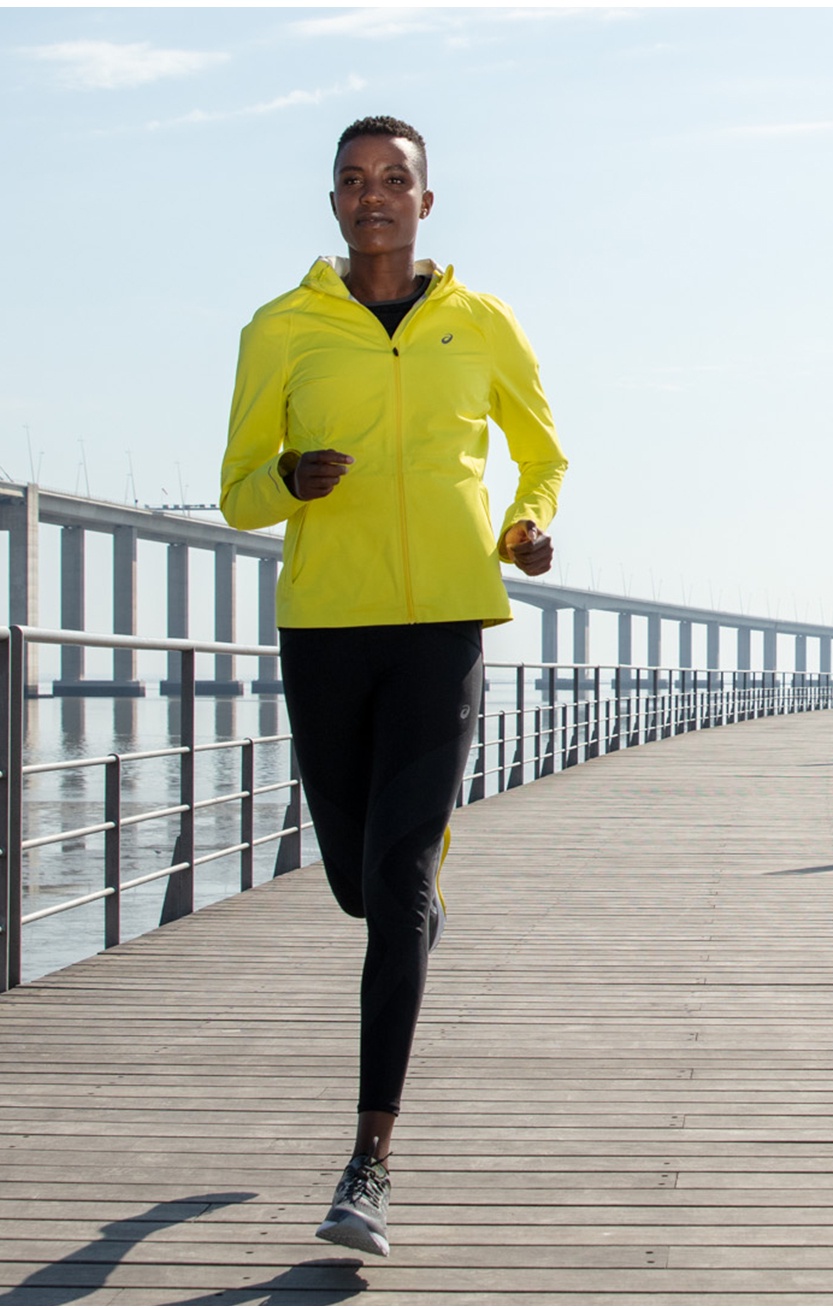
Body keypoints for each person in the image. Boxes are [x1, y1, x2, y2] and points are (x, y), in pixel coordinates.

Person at [216, 115, 564, 1258]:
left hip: (443, 628)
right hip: (325, 627)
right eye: (354, 182)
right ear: (332, 206)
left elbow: (542, 452)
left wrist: (529, 523)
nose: (374, 197)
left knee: (402, 879)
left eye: (394, 180)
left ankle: (367, 1159)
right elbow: (234, 495)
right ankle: (408, 911)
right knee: (361, 890)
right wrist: (287, 475)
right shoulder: (280, 331)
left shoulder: (481, 323)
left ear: (427, 201)